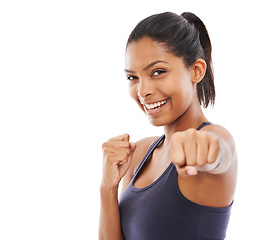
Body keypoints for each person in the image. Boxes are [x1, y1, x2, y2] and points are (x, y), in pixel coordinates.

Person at [99, 11, 238, 240]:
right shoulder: (139, 153)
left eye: (158, 72)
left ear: (196, 71)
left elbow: (220, 152)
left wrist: (204, 148)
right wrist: (107, 188)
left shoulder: (214, 136)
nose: (143, 91)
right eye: (133, 77)